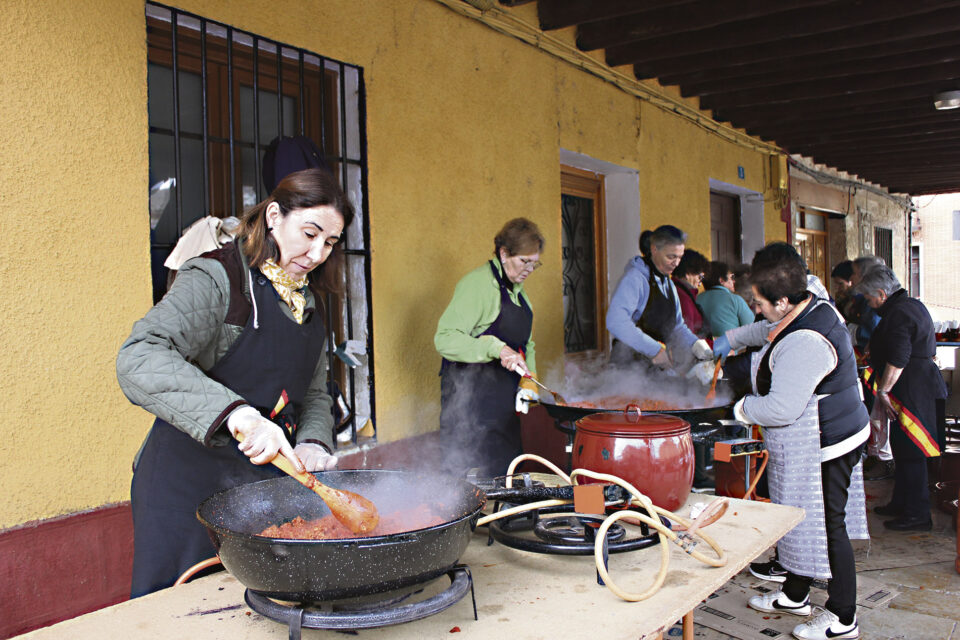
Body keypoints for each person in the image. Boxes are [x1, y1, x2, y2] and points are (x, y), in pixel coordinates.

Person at [117, 168, 351, 597]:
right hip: (183, 486)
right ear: (275, 215)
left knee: (252, 609)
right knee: (180, 611)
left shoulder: (309, 302)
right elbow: (140, 356)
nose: (318, 253)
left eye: (330, 242)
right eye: (310, 233)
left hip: (259, 492)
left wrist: (315, 442)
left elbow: (316, 391)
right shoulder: (214, 278)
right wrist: (238, 414)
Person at [722, 242, 869, 640]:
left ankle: (842, 617)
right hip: (822, 429)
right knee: (798, 515)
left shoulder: (807, 341)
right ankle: (795, 594)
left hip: (830, 439)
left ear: (783, 300)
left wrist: (739, 409)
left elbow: (782, 408)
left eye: (759, 302)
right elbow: (765, 328)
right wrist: (729, 340)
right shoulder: (809, 301)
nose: (756, 308)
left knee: (827, 522)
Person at [434, 218, 543, 477]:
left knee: (506, 473)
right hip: (470, 401)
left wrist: (530, 380)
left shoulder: (519, 292)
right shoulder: (478, 285)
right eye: (524, 261)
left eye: (534, 263)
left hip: (504, 404)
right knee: (467, 480)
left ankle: (503, 517)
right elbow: (445, 338)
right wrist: (496, 347)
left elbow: (527, 344)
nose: (529, 268)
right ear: (504, 254)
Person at [857, 266, 948, 531]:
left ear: (882, 294)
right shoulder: (909, 305)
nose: (869, 304)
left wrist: (883, 391)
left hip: (911, 390)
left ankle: (918, 514)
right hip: (915, 386)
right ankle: (901, 503)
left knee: (912, 452)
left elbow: (898, 358)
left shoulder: (899, 313)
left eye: (870, 298)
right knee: (902, 448)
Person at [606, 225, 713, 369]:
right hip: (628, 369)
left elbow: (677, 326)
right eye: (671, 257)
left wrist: (696, 345)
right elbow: (616, 321)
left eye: (680, 257)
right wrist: (654, 350)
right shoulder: (636, 278)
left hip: (653, 370)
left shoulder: (668, 284)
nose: (676, 263)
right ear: (654, 249)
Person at [696, 261, 755, 339]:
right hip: (731, 349)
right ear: (721, 281)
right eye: (731, 277)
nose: (733, 281)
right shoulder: (735, 299)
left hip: (701, 348)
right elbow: (752, 329)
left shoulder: (696, 299)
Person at [671, 249, 711, 338]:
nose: (700, 283)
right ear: (688, 273)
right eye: (700, 277)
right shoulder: (683, 298)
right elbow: (688, 339)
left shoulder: (674, 290)